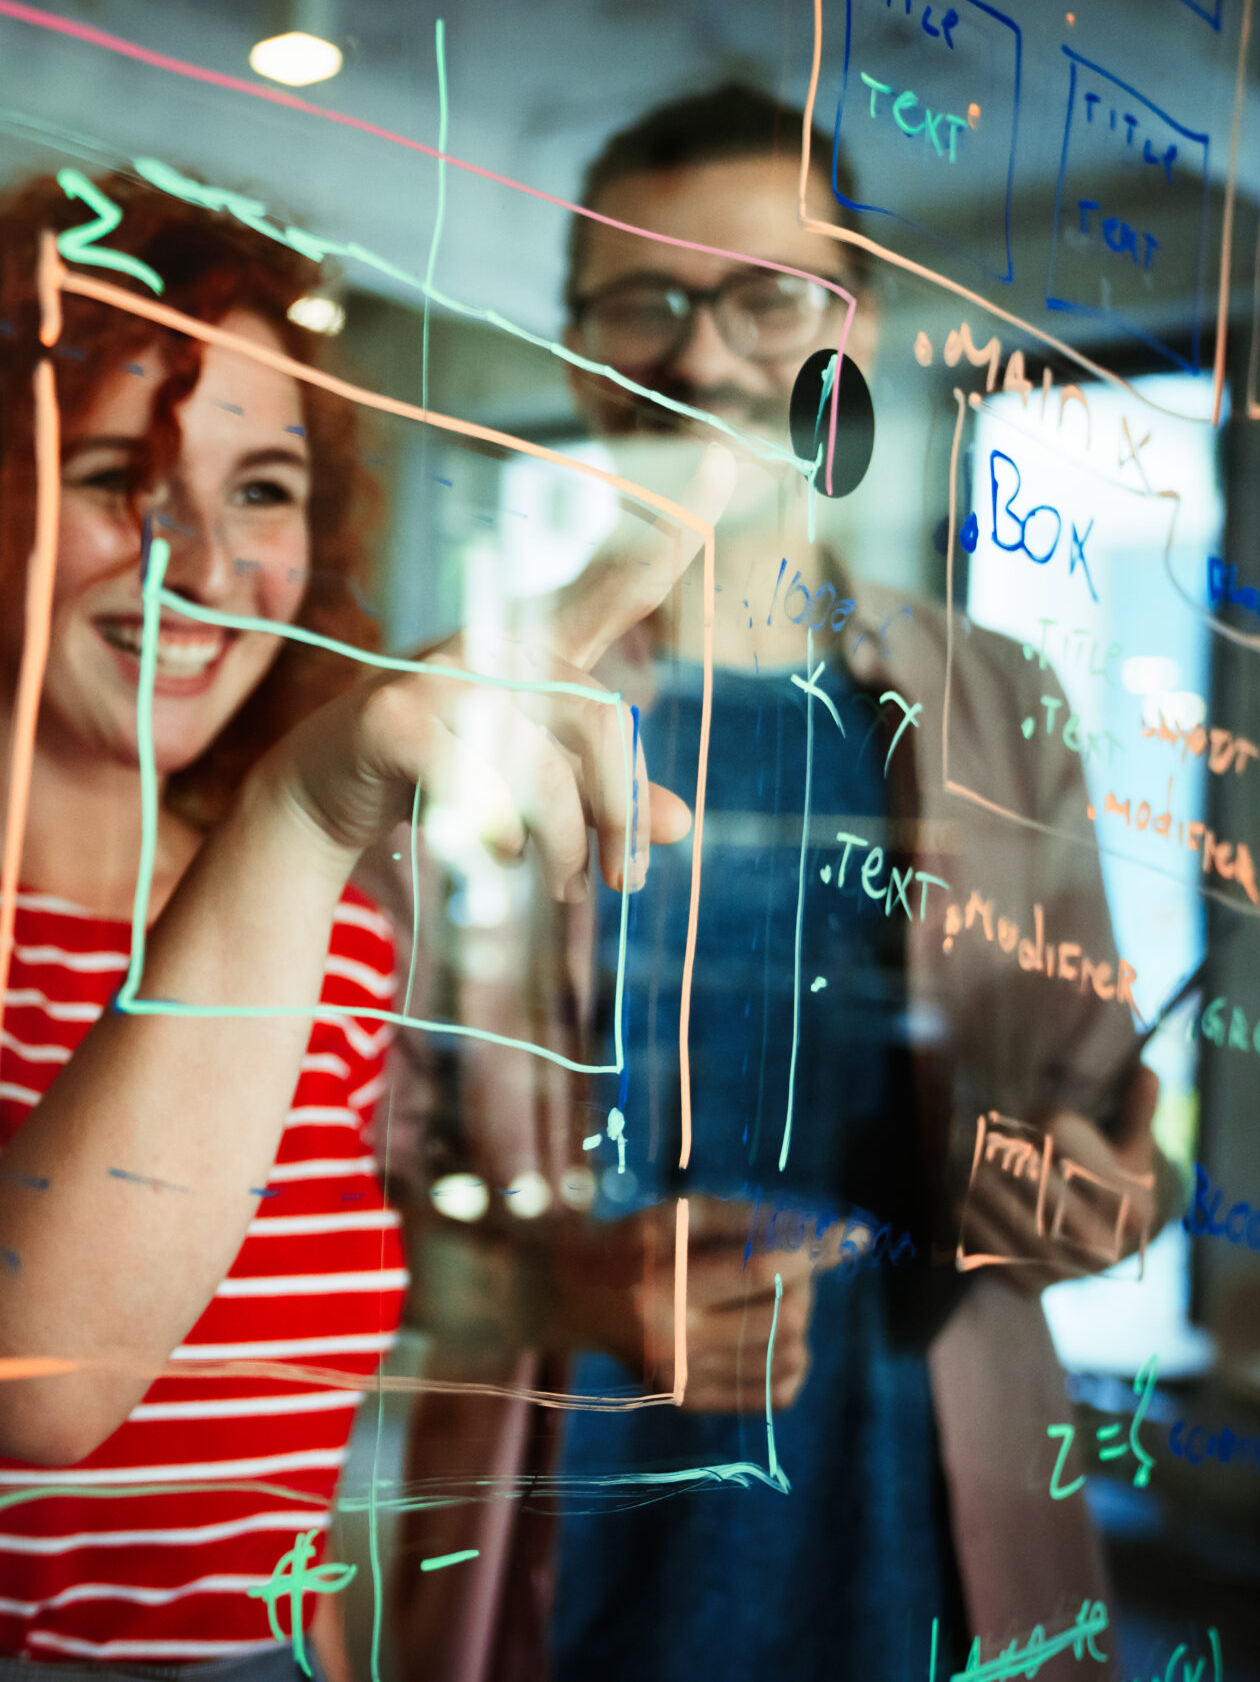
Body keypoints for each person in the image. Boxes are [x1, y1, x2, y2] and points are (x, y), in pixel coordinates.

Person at [0, 172, 725, 1678]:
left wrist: (575, 1290)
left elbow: (272, 1360)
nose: (204, 564)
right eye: (116, 475)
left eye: (261, 488)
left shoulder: (331, 928)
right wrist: (301, 813)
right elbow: (20, 1376)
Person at [392, 85, 1171, 1682]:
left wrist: (1065, 1192)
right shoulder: (455, 701)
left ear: (854, 333)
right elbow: (368, 1181)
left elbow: (1117, 1154)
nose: (702, 356)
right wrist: (569, 1283)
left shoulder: (998, 706)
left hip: (916, 1461)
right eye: (643, 304)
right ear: (575, 350)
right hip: (573, 1454)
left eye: (765, 299)